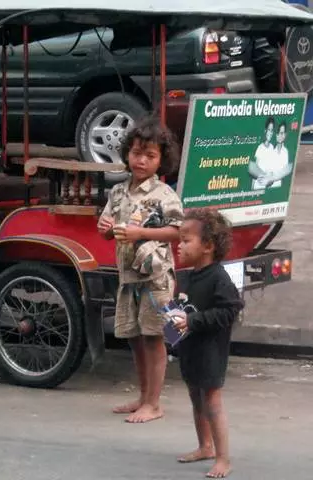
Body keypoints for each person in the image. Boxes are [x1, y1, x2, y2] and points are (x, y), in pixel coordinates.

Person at [97, 116, 184, 423]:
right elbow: (107, 229)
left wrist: (141, 234)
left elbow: (178, 231)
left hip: (155, 278)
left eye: (150, 155)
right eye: (136, 153)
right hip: (128, 277)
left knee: (154, 338)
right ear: (127, 154)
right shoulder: (118, 193)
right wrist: (106, 228)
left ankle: (155, 403)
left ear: (162, 160)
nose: (141, 160)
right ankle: (144, 397)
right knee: (134, 338)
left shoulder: (163, 195)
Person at [173, 209, 244, 478]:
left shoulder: (219, 278)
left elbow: (229, 310)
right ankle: (205, 446)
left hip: (211, 349)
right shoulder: (188, 276)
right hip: (190, 347)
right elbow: (183, 307)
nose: (179, 245)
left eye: (185, 240)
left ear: (208, 246)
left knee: (212, 402)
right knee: (195, 396)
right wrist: (171, 324)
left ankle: (223, 459)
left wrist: (192, 321)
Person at [249, 117, 275, 190]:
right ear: (265, 131)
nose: (270, 133)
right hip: (258, 185)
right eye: (269, 130)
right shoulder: (260, 148)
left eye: (272, 130)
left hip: (268, 184)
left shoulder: (272, 147)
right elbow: (255, 170)